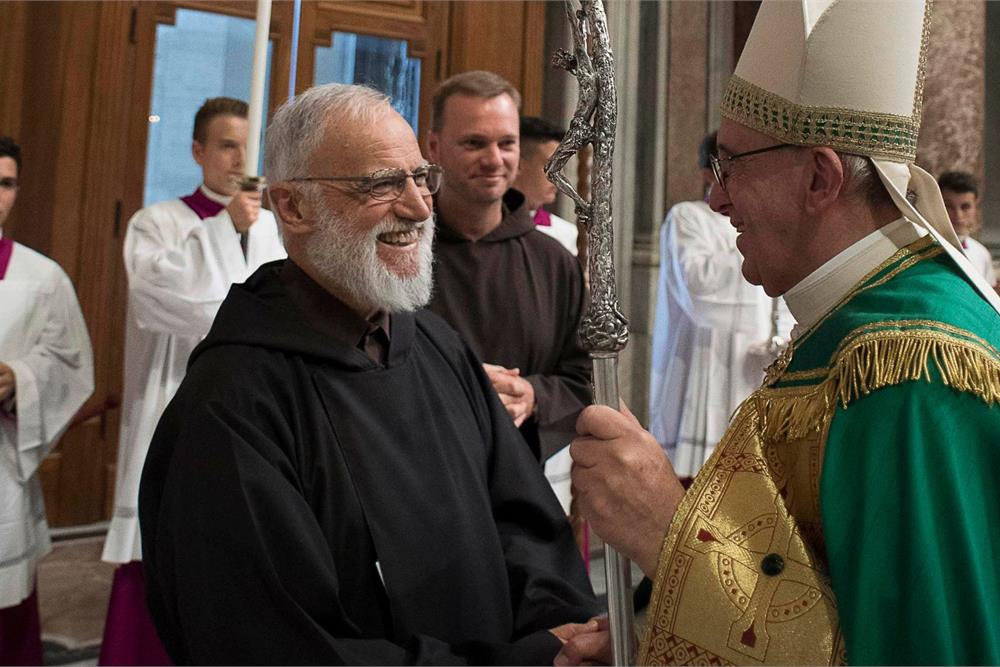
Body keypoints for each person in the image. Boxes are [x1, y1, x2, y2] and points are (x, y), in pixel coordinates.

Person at [560, 1, 1000, 665]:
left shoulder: (907, 368)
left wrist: (665, 531)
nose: (717, 198)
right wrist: (661, 631)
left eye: (731, 165)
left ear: (820, 177)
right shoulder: (857, 323)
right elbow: (818, 591)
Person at [138, 83, 600, 665]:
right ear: (293, 207)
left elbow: (522, 520)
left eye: (420, 178)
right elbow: (275, 644)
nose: (420, 208)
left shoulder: (436, 345)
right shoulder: (233, 402)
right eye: (381, 184)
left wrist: (563, 632)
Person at [100, 97, 286, 665]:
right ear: (198, 151)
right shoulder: (158, 222)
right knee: (162, 547)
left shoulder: (276, 229)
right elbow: (165, 302)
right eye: (227, 146)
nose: (239, 160)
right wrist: (224, 229)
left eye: (249, 147)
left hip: (255, 411)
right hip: (174, 400)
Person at [426, 71, 591, 461]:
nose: (494, 159)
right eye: (474, 143)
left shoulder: (554, 263)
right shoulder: (398, 251)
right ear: (434, 147)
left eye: (507, 144)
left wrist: (533, 395)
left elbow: (584, 379)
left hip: (516, 471)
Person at [0, 136, 94, 665]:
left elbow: (70, 363)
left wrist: (20, 379)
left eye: (7, 183)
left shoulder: (41, 276)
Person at [649, 131, 791, 479]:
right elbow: (698, 288)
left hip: (756, 365)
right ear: (706, 173)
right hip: (704, 363)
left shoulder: (764, 225)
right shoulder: (688, 218)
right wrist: (761, 241)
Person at [514, 116, 578, 256]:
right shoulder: (484, 225)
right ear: (518, 164)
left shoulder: (567, 234)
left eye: (562, 167)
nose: (559, 176)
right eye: (552, 165)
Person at [938, 170, 998, 288]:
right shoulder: (923, 248)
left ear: (975, 207)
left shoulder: (981, 253)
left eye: (965, 207)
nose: (958, 215)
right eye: (948, 206)